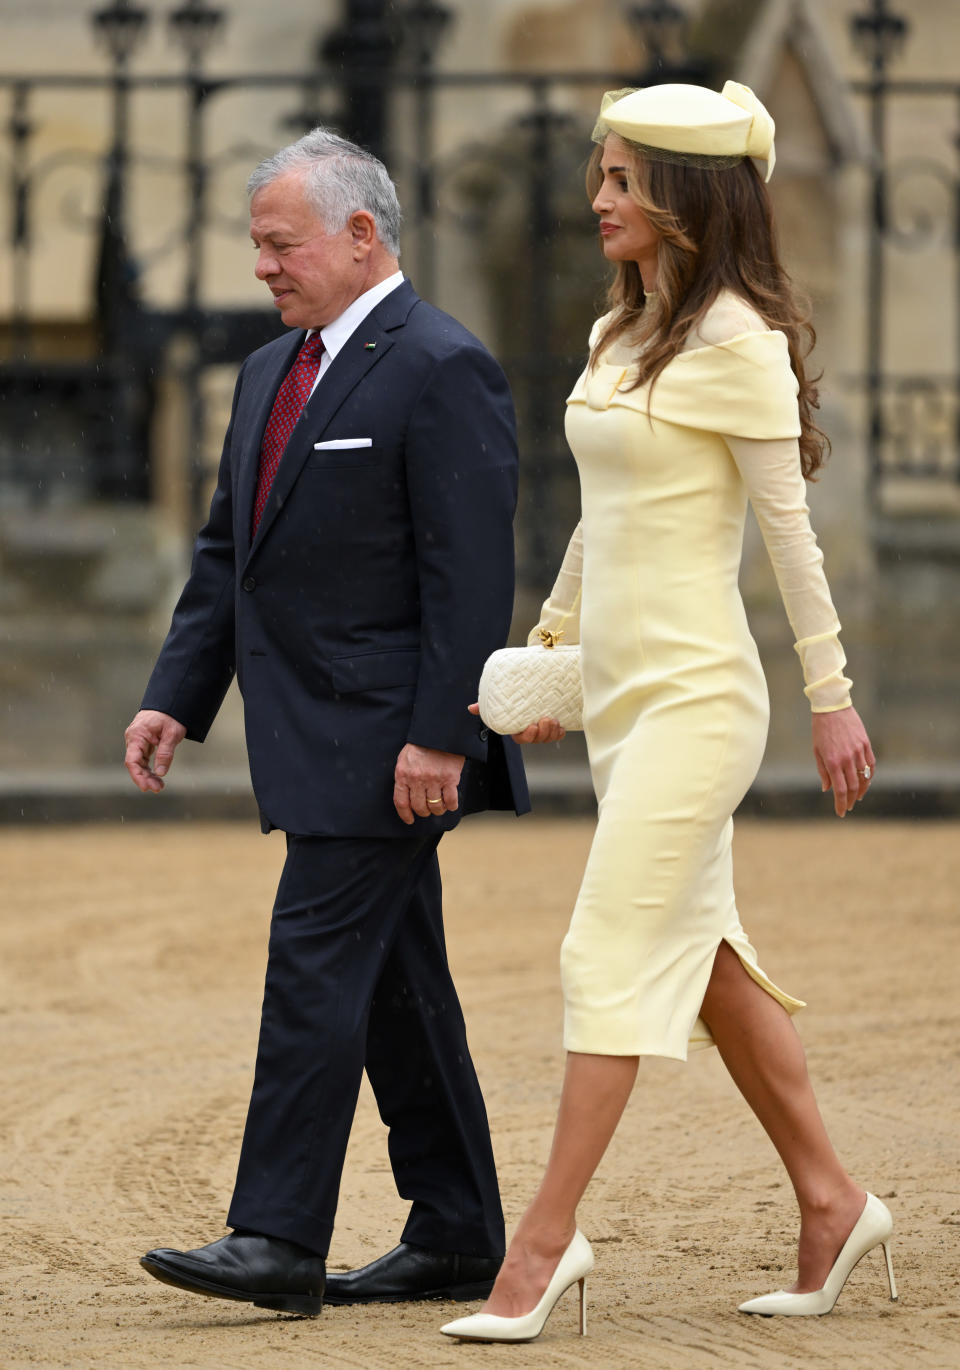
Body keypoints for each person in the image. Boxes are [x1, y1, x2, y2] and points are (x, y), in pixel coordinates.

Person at [441, 82, 897, 1345]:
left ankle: (542, 1244)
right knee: (705, 966)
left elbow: (791, 534)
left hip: (702, 701)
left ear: (686, 200)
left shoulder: (740, 341)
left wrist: (833, 698)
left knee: (603, 952)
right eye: (601, 174)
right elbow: (605, 516)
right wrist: (551, 652)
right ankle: (833, 1200)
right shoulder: (615, 335)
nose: (597, 198)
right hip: (626, 702)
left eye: (622, 178)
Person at [123, 127, 529, 1318]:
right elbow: (226, 558)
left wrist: (443, 732)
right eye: (256, 244)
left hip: (392, 742)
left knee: (313, 968)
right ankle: (457, 1230)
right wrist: (172, 695)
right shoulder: (268, 372)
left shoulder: (443, 363)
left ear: (363, 235)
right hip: (310, 731)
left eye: (279, 242)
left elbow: (470, 570)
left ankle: (276, 1234)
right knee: (398, 981)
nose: (263, 266)